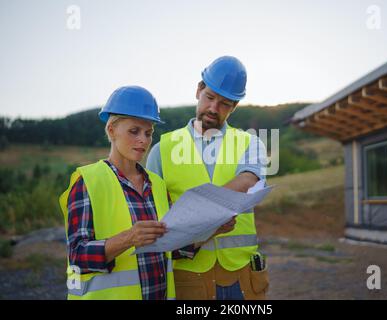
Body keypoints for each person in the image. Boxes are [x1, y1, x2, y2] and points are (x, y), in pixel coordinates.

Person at [146, 56, 269, 300]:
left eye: (224, 103)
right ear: (198, 90)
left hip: (240, 274)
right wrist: (210, 225)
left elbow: (247, 182)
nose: (214, 108)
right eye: (210, 97)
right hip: (189, 276)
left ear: (234, 107)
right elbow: (153, 212)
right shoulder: (163, 149)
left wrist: (199, 215)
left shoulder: (250, 143)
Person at [59, 86, 177, 300]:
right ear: (111, 130)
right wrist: (128, 238)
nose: (144, 139)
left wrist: (209, 230)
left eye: (149, 133)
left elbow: (172, 248)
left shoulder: (158, 185)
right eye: (134, 131)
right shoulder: (88, 182)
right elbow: (77, 257)